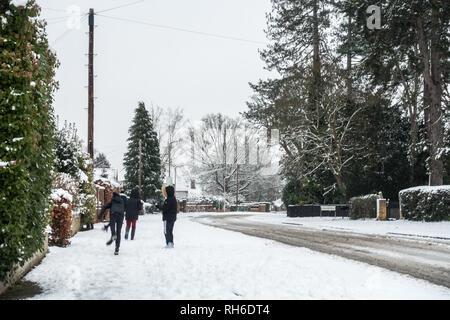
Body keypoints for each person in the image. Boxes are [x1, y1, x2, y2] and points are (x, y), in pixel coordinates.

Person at [98, 191, 125, 255]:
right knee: (118, 232)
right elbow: (125, 208)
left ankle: (113, 235)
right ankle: (117, 249)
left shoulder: (112, 201)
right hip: (121, 216)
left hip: (113, 214)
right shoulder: (122, 201)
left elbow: (105, 206)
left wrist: (100, 214)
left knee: (113, 226)